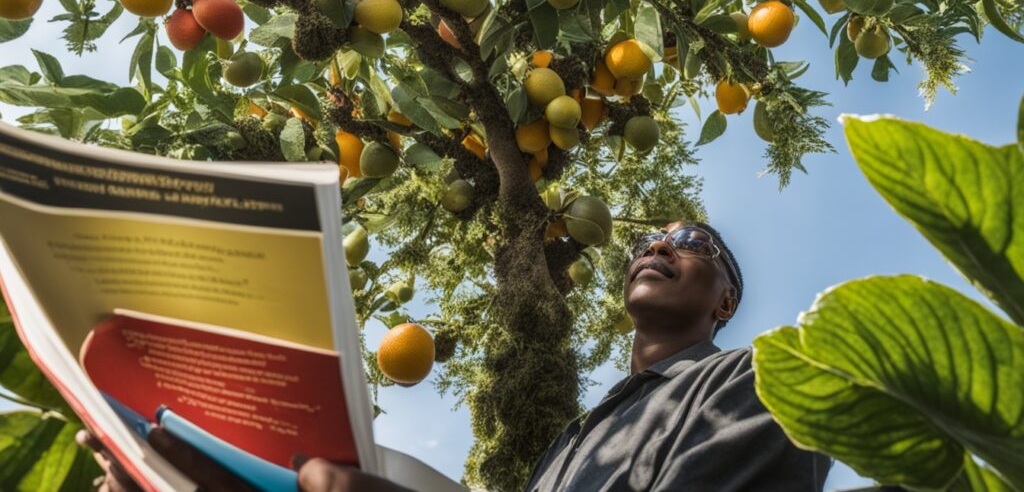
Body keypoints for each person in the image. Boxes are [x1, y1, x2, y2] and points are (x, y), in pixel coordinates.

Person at [80, 221, 831, 491]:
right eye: (648, 240)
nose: (661, 245)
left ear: (725, 301)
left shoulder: (768, 375)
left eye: (695, 242)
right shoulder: (571, 439)